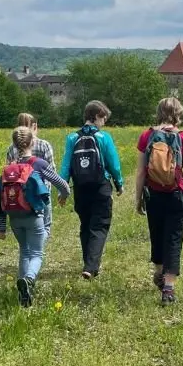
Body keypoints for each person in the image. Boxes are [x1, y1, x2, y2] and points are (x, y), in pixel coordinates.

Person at [135, 97, 183, 305]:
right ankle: (169, 287)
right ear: (178, 115)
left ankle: (159, 271)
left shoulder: (147, 136)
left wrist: (138, 198)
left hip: (153, 194)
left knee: (156, 234)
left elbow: (141, 172)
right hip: (177, 194)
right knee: (173, 238)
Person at [0, 126, 71, 307]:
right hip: (34, 215)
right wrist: (64, 195)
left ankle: (23, 293)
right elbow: (62, 184)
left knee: (24, 251)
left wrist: (0, 225)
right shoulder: (39, 164)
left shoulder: (8, 169)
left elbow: (1, 197)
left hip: (14, 218)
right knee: (37, 252)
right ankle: (29, 280)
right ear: (32, 142)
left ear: (14, 144)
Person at [59, 100, 123, 279]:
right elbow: (113, 164)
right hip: (100, 187)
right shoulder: (103, 137)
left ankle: (88, 262)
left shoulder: (72, 138)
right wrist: (119, 183)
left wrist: (63, 189)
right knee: (100, 226)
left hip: (80, 188)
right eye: (103, 118)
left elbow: (66, 165)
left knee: (85, 225)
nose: (104, 122)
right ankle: (91, 266)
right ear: (96, 116)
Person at [6, 112, 56, 236]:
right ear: (34, 126)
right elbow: (52, 171)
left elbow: (9, 173)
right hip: (42, 194)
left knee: (24, 232)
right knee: (45, 228)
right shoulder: (44, 145)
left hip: (19, 197)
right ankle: (37, 248)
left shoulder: (12, 148)